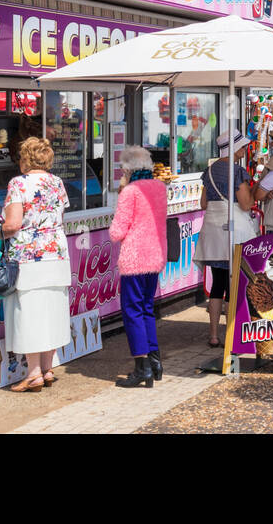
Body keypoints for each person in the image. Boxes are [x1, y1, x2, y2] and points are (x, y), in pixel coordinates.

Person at [0, 137, 69, 393]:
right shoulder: (57, 183)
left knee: (30, 316)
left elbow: (13, 224)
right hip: (56, 256)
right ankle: (47, 370)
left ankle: (34, 373)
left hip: (29, 258)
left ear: (26, 158)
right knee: (51, 313)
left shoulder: (19, 183)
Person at [108, 146, 168, 387]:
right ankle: (155, 361)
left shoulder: (130, 192)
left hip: (134, 259)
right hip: (155, 256)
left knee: (132, 311)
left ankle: (141, 367)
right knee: (146, 308)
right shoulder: (160, 188)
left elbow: (116, 232)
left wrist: (123, 190)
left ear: (128, 169)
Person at [197, 128, 256, 347]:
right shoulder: (237, 172)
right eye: (242, 147)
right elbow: (245, 204)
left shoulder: (209, 171)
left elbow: (203, 204)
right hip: (233, 232)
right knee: (234, 284)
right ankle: (232, 333)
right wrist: (256, 191)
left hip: (212, 233)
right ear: (234, 148)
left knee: (217, 284)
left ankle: (213, 335)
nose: (244, 151)